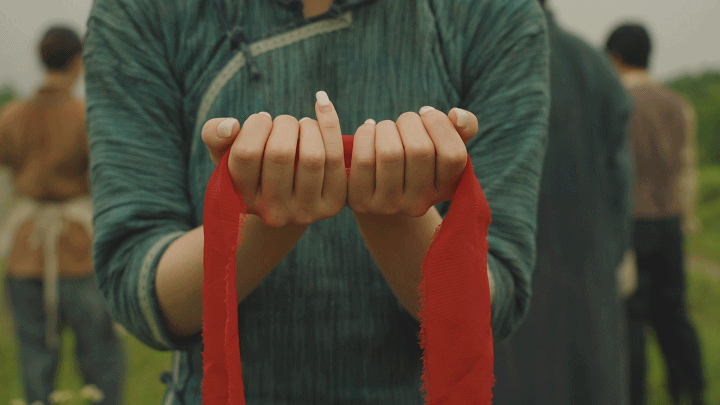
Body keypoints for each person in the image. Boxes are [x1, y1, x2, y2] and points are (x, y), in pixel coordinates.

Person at [84, 0, 550, 403]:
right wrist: (268, 215)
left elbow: (494, 305)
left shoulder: (491, 13)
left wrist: (392, 212)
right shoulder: (146, 11)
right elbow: (136, 283)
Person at [492, 1, 634, 404]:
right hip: (589, 273)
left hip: (507, 279)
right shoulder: (596, 66)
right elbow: (621, 186)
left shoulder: (485, 63)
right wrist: (609, 256)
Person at [0, 26, 126, 405]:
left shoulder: (10, 116)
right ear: (77, 61)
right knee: (101, 355)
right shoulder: (84, 115)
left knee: (34, 357)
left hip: (25, 253)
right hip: (79, 250)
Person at [606, 22, 706, 405]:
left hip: (630, 225)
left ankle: (634, 394)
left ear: (616, 57)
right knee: (674, 313)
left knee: (631, 316)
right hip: (670, 222)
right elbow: (687, 168)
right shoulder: (677, 104)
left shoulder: (616, 103)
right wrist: (686, 217)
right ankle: (691, 389)